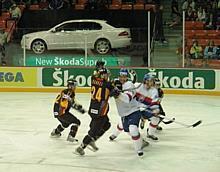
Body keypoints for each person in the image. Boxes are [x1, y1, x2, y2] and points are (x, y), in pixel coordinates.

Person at [109, 68, 149, 157]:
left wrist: (118, 94)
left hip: (133, 111)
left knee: (133, 129)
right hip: (123, 114)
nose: (122, 78)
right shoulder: (115, 83)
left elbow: (127, 99)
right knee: (127, 130)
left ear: (127, 77)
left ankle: (139, 150)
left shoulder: (129, 84)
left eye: (124, 76)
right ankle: (141, 141)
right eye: (121, 76)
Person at [75, 67, 115, 156]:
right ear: (102, 75)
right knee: (93, 131)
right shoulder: (107, 85)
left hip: (93, 109)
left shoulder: (93, 79)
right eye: (106, 75)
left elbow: (100, 81)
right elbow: (114, 91)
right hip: (100, 112)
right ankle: (81, 147)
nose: (107, 76)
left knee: (106, 125)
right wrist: (115, 88)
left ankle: (92, 141)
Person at [50, 79, 86, 143]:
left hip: (57, 112)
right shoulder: (69, 92)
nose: (75, 87)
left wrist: (78, 108)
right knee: (77, 122)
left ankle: (55, 132)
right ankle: (71, 137)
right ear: (71, 86)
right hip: (61, 112)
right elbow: (67, 102)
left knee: (65, 123)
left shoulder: (66, 92)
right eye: (74, 86)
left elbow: (69, 102)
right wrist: (78, 108)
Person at [135, 74, 160, 141]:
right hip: (134, 108)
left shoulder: (154, 91)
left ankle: (150, 134)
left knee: (156, 119)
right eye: (150, 80)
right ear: (145, 81)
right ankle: (115, 134)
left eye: (152, 81)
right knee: (124, 123)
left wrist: (155, 111)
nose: (152, 82)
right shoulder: (137, 86)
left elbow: (154, 103)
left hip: (145, 109)